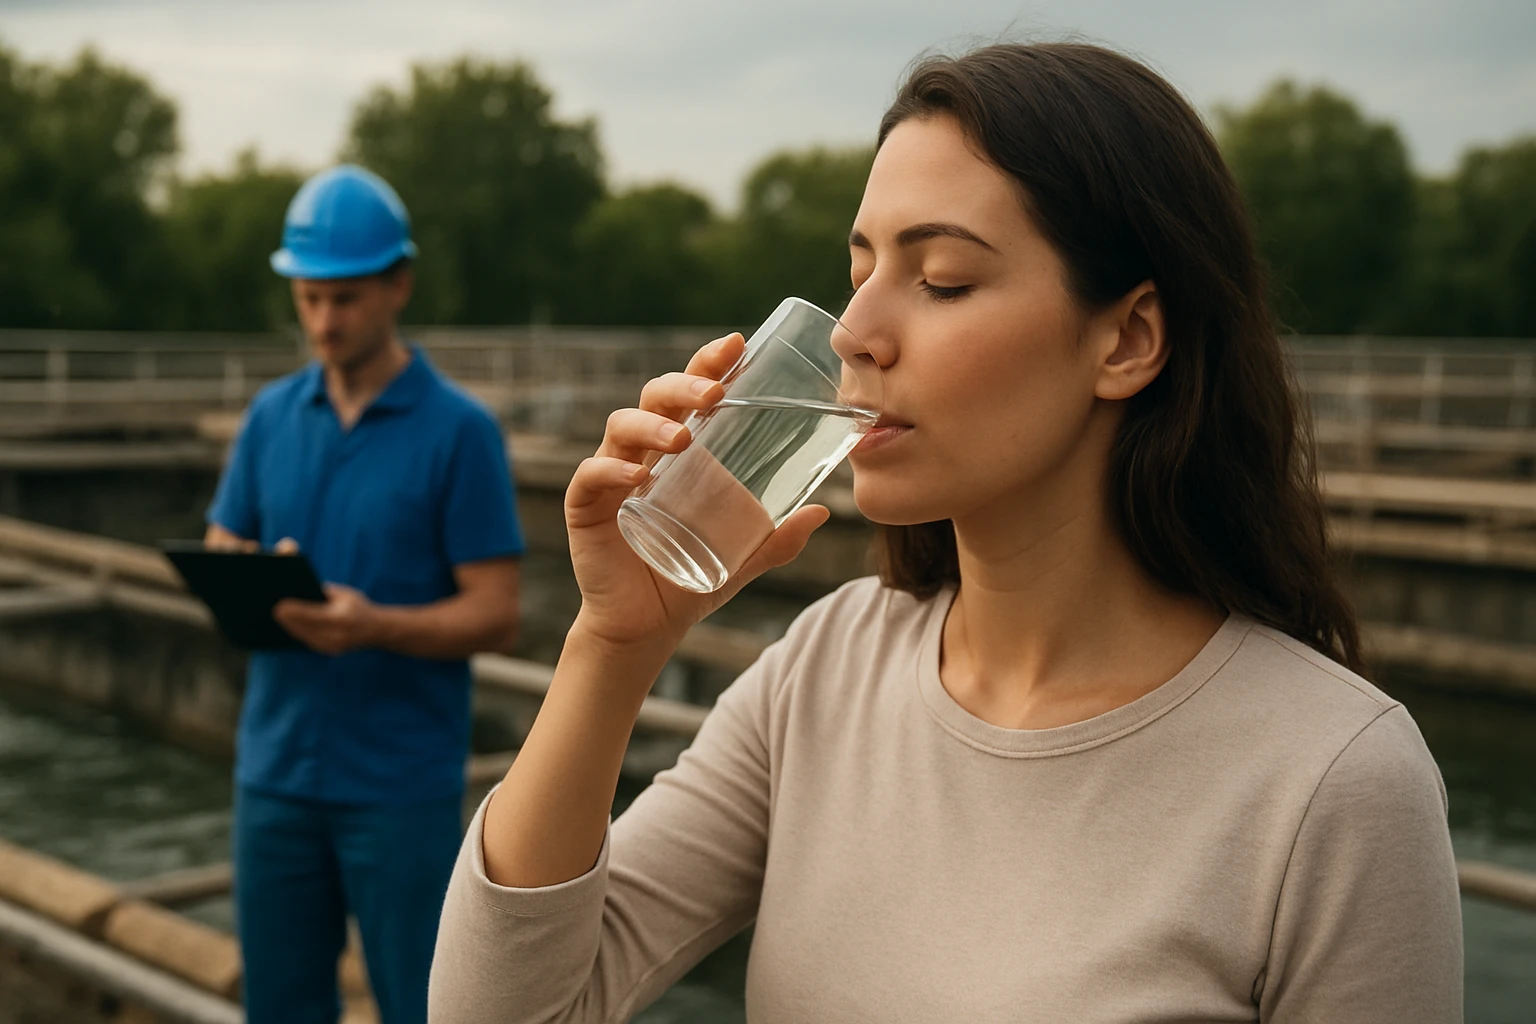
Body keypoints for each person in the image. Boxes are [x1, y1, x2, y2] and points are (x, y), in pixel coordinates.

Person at [428, 44, 1462, 1023]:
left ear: (1129, 339)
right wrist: (614, 647)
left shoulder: (1336, 777)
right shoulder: (825, 671)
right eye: (861, 268)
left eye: (943, 281)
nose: (852, 332)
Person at [206, 164, 524, 1024]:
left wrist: (373, 624)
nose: (323, 321)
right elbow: (221, 537)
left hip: (399, 786)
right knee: (279, 1003)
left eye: (342, 299)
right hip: (272, 771)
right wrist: (235, 565)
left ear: (397, 285)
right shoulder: (271, 415)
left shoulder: (459, 431)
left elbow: (497, 609)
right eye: (308, 299)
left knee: (422, 1004)